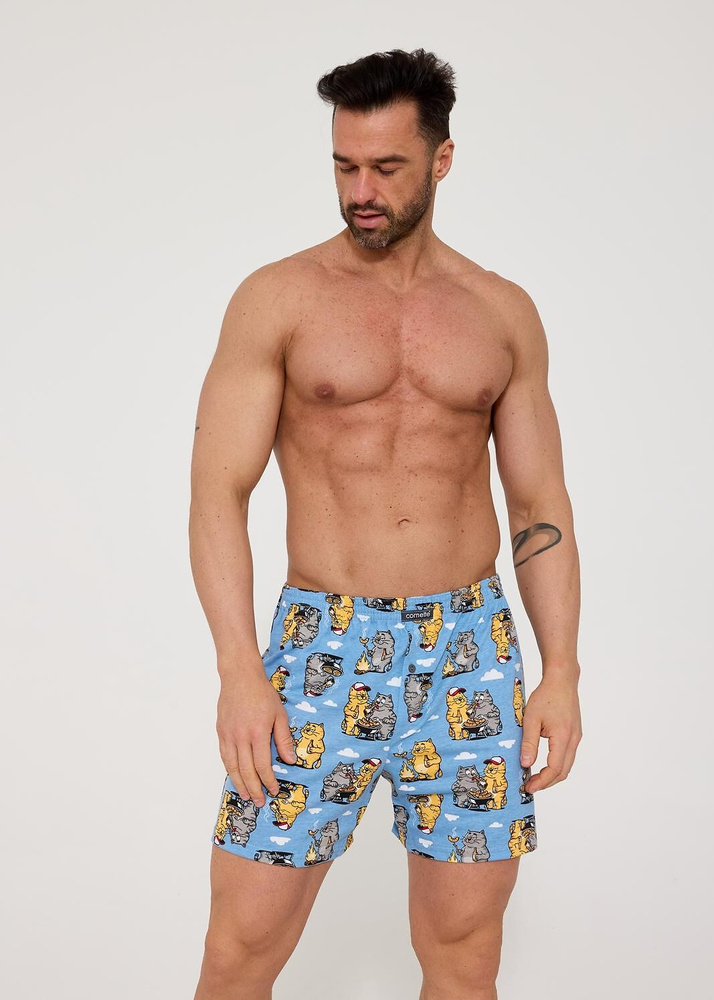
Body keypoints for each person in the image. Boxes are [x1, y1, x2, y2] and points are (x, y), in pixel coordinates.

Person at [189, 46, 583, 1000]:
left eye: (386, 168)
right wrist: (239, 671)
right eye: (344, 166)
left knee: (464, 957)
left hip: (469, 651)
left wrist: (561, 670)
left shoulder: (501, 313)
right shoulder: (279, 300)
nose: (360, 192)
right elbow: (216, 493)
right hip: (318, 646)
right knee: (242, 948)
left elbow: (539, 507)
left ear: (441, 160)